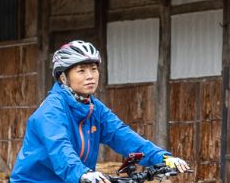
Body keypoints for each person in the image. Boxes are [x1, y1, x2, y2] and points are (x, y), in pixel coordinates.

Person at [10, 41, 192, 182]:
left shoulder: (94, 109)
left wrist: (163, 157)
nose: (90, 76)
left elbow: (123, 135)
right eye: (81, 70)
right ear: (63, 77)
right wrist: (82, 173)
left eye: (94, 69)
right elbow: (60, 148)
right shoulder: (51, 110)